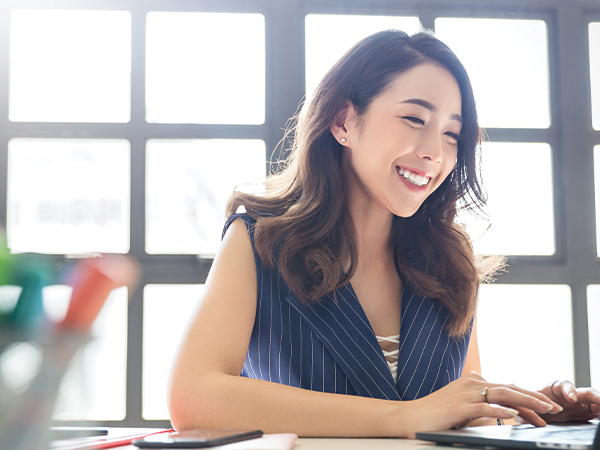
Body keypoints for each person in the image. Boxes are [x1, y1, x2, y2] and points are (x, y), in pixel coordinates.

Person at [167, 29, 600, 438]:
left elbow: (455, 417)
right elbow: (193, 397)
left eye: (452, 133)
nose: (435, 151)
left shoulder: (450, 262)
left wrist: (526, 412)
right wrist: (403, 416)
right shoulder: (259, 242)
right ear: (343, 122)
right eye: (414, 118)